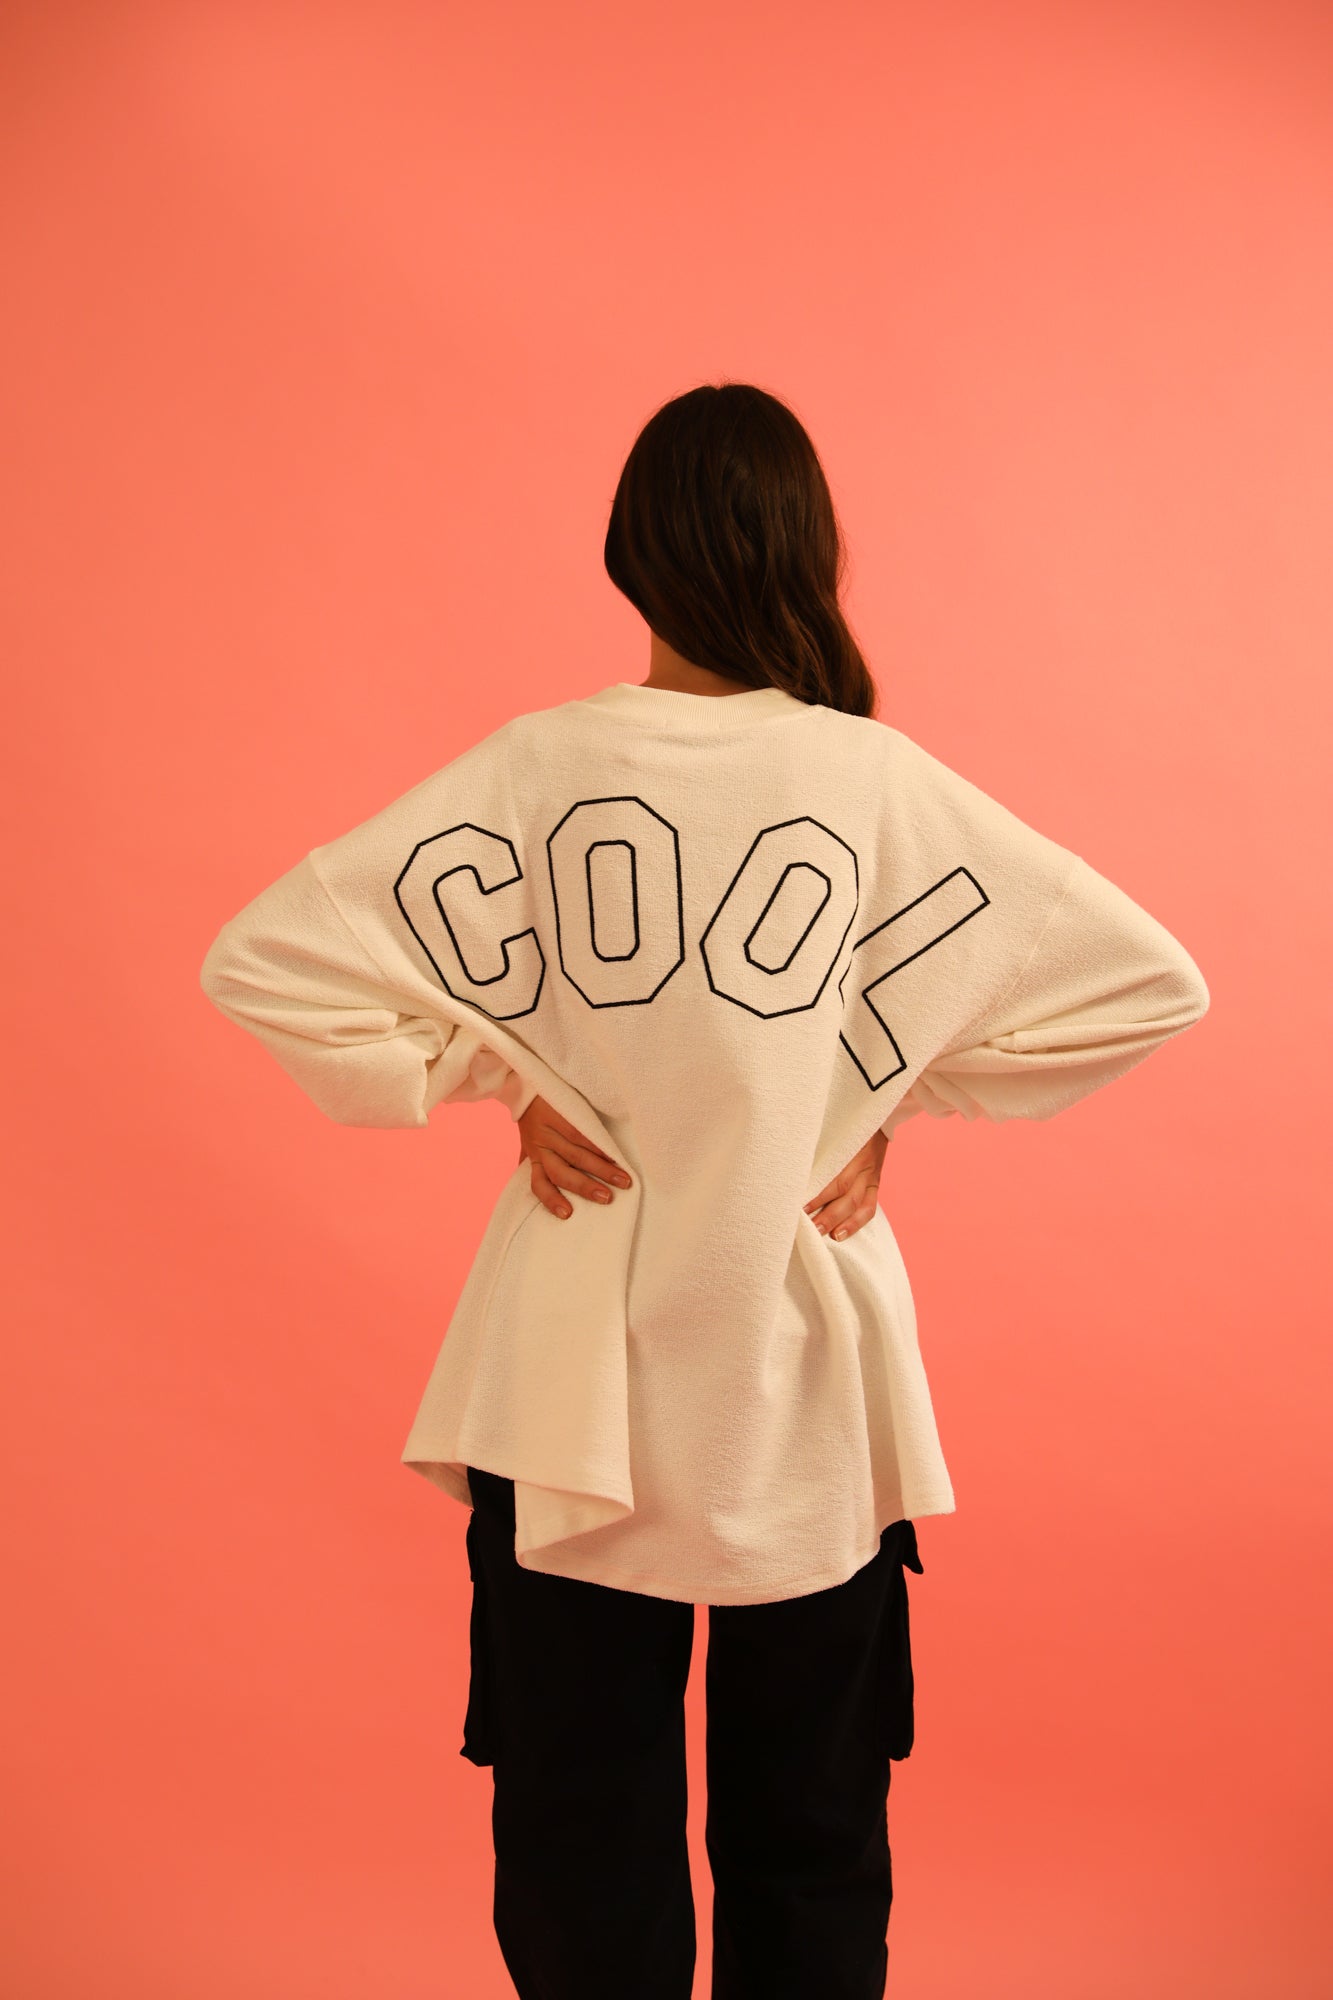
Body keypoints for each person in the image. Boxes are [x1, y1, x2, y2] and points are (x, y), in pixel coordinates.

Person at [199, 381, 1210, 1999]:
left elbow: (263, 960)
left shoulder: (536, 769)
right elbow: (1150, 983)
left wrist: (497, 1074)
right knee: (811, 1832)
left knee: (577, 1836)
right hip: (801, 1367)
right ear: (809, 550)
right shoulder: (871, 781)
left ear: (629, 553)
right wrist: (884, 1097)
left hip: (567, 1374)